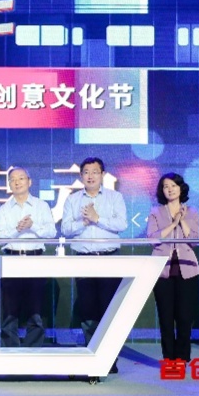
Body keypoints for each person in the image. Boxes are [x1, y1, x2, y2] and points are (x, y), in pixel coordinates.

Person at [61, 157, 127, 383]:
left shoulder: (115, 197)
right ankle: (94, 358)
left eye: (95, 172)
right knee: (88, 310)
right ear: (81, 176)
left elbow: (122, 224)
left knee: (109, 310)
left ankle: (110, 359)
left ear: (103, 175)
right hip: (84, 259)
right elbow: (66, 229)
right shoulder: (72, 199)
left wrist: (97, 218)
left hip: (109, 258)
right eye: (86, 172)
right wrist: (84, 222)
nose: (90, 176)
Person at [0, 166, 56, 347]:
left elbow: (51, 233)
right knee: (9, 311)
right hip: (11, 260)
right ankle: (10, 351)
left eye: (21, 178)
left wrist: (32, 226)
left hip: (35, 259)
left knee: (35, 310)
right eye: (12, 179)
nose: (17, 182)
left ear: (29, 182)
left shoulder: (41, 206)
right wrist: (17, 230)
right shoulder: (4, 209)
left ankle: (33, 351)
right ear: (9, 184)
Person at [147, 172, 199, 363]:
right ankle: (168, 358)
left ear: (180, 188)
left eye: (173, 186)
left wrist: (182, 220)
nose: (170, 189)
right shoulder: (155, 212)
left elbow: (194, 240)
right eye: (165, 186)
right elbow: (153, 239)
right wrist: (173, 223)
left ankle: (182, 358)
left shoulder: (192, 212)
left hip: (188, 271)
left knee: (185, 317)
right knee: (166, 318)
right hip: (162, 271)